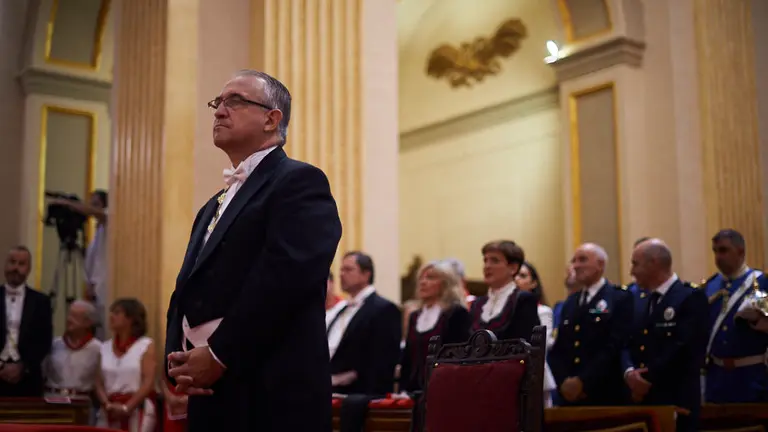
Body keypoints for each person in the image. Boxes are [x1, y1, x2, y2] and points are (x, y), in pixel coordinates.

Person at [165, 69, 342, 432]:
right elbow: (187, 285)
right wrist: (178, 359)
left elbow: (287, 276)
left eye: (235, 101)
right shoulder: (212, 205)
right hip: (209, 389)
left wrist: (218, 354)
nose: (218, 111)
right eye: (217, 103)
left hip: (270, 392)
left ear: (271, 119)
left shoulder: (299, 181)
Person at [621, 239, 708, 431]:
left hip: (675, 399)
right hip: (643, 401)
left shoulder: (689, 297)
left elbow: (683, 347)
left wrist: (645, 379)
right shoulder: (640, 300)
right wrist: (630, 375)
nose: (631, 272)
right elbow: (627, 341)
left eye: (636, 264)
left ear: (654, 263)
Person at [548, 243, 633, 406]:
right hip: (569, 395)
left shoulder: (619, 298)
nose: (576, 266)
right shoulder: (571, 302)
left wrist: (583, 381)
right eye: (574, 261)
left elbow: (614, 346)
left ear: (600, 265)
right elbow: (559, 348)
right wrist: (563, 382)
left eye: (583, 260)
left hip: (604, 392)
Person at [702, 229, 768, 403]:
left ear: (740, 251)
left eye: (723, 250)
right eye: (715, 251)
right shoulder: (710, 286)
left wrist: (757, 319)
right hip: (717, 379)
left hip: (750, 377)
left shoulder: (759, 283)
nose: (718, 256)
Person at [328, 252, 402, 395]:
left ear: (366, 274)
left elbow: (383, 359)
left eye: (348, 269)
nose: (341, 274)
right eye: (341, 270)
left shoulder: (384, 309)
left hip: (360, 394)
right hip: (332, 389)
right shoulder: (343, 308)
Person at [49, 190, 109, 339]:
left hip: (104, 291)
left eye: (95, 204)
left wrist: (68, 203)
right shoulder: (97, 232)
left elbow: (99, 213)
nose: (90, 208)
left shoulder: (109, 220)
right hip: (94, 290)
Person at [96, 298, 156, 432]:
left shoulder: (145, 345)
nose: (111, 316)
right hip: (108, 410)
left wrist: (126, 408)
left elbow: (148, 382)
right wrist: (107, 405)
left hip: (136, 409)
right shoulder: (104, 347)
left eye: (117, 312)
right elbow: (98, 382)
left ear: (131, 318)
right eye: (111, 312)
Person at [0, 246, 53, 397]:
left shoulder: (41, 301)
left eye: (21, 264)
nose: (15, 268)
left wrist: (23, 367)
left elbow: (44, 340)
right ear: (5, 265)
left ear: (28, 269)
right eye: (12, 262)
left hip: (28, 379)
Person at [469, 240, 540, 341]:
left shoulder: (523, 300)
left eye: (495, 261)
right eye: (485, 260)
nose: (487, 266)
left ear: (513, 268)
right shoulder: (477, 304)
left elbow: (524, 346)